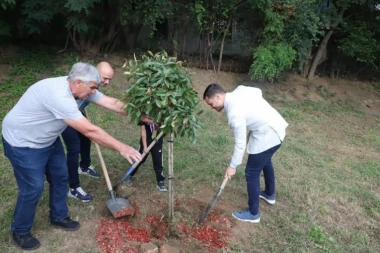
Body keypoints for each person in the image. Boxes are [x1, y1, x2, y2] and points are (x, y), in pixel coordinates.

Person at [1, 62, 142, 251]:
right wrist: (122, 147)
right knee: (33, 187)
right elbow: (90, 131)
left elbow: (110, 103)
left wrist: (142, 113)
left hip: (48, 140)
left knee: (60, 177)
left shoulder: (82, 87)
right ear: (78, 82)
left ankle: (58, 217)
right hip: (23, 143)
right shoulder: (59, 95)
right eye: (93, 88)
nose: (94, 92)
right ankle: (20, 231)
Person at [203, 83, 288, 223]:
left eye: (211, 104)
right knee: (265, 160)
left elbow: (240, 143)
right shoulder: (240, 90)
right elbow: (258, 91)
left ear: (218, 96)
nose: (212, 108)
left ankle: (253, 213)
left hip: (268, 134)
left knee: (252, 172)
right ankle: (269, 194)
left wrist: (232, 166)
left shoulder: (235, 114)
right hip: (275, 126)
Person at [61, 61, 120, 202]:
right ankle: (74, 187)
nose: (106, 82)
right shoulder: (79, 85)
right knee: (74, 147)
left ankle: (85, 166)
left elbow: (109, 102)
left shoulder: (93, 89)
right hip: (66, 116)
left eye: (109, 79)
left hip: (78, 113)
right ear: (94, 74)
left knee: (85, 140)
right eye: (104, 78)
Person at [126, 117, 167, 192]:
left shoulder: (160, 114)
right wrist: (145, 146)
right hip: (146, 140)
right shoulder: (142, 116)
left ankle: (160, 181)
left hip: (157, 140)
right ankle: (129, 175)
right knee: (140, 158)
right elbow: (143, 131)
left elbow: (164, 125)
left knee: (158, 161)